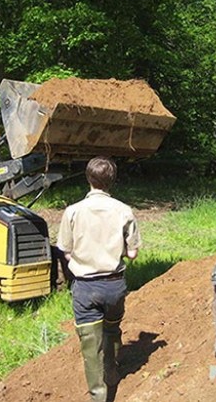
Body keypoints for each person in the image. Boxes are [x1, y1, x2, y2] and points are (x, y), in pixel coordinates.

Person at [57, 156, 141, 402]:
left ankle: (99, 396)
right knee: (112, 328)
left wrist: (78, 262)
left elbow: (65, 248)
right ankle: (112, 371)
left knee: (91, 346)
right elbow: (133, 253)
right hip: (114, 285)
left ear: (88, 178)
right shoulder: (124, 210)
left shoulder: (72, 211)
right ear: (112, 180)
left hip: (85, 287)